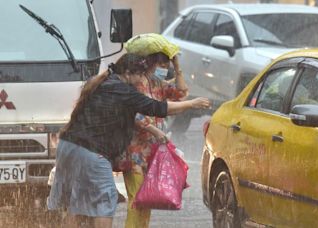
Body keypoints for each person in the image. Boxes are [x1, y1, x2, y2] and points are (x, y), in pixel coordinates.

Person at [47, 53, 210, 228]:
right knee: (105, 200)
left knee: (74, 202)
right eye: (140, 74)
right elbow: (157, 107)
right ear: (127, 72)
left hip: (67, 147)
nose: (141, 78)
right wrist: (191, 104)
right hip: (92, 152)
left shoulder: (100, 82)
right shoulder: (124, 91)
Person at [122, 52, 188, 228]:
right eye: (162, 65)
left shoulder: (157, 84)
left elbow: (181, 94)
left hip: (152, 152)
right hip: (133, 152)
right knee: (136, 201)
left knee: (146, 200)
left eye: (167, 66)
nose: (164, 69)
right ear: (151, 63)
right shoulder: (135, 83)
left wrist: (178, 66)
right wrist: (154, 130)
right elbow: (133, 114)